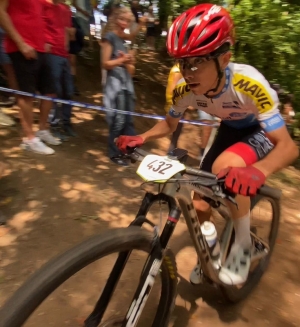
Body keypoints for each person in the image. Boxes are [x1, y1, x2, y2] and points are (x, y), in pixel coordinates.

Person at [115, 4, 299, 285]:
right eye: (182, 62)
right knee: (199, 202)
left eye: (197, 61)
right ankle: (210, 255)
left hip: (259, 131)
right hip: (229, 129)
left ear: (224, 60)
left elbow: (288, 147)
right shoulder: (184, 91)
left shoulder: (249, 84)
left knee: (225, 167)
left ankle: (243, 246)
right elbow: (169, 124)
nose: (188, 72)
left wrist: (259, 171)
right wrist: (142, 137)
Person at [0, 0, 61, 155]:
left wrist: (46, 40)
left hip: (39, 47)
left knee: (49, 91)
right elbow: (1, 12)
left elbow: (40, 16)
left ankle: (41, 130)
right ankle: (29, 138)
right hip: (21, 47)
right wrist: (21, 44)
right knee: (26, 94)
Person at [101, 6, 136, 166]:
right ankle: (114, 153)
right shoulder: (110, 37)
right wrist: (122, 60)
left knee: (128, 120)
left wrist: (129, 61)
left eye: (128, 21)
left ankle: (128, 151)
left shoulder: (123, 41)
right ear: (115, 18)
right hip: (116, 86)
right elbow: (105, 63)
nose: (125, 23)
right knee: (119, 120)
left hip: (127, 85)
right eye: (123, 19)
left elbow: (131, 70)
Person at [165, 62, 217, 157]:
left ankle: (171, 151)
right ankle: (170, 152)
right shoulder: (178, 71)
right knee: (175, 129)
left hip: (176, 102)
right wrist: (186, 103)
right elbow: (174, 88)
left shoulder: (177, 68)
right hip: (176, 103)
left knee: (176, 129)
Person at [43, 0, 76, 138]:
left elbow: (70, 34)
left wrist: (70, 35)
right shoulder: (44, 4)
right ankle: (54, 124)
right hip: (52, 54)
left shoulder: (66, 9)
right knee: (54, 91)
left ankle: (66, 123)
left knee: (68, 91)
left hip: (64, 55)